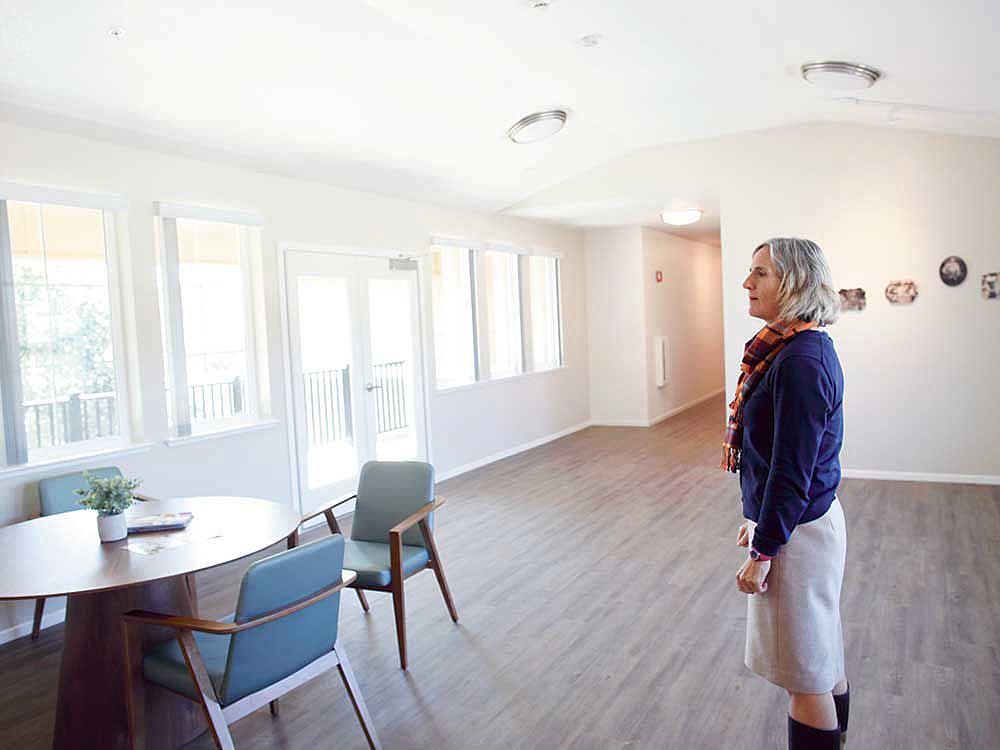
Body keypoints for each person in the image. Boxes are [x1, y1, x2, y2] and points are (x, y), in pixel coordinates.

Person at [723, 238, 850, 749]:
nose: (747, 283)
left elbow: (790, 473)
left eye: (760, 273)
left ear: (794, 283)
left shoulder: (799, 361)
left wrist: (764, 549)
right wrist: (756, 516)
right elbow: (776, 458)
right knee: (822, 658)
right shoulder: (795, 348)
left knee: (805, 678)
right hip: (804, 524)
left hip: (797, 537)